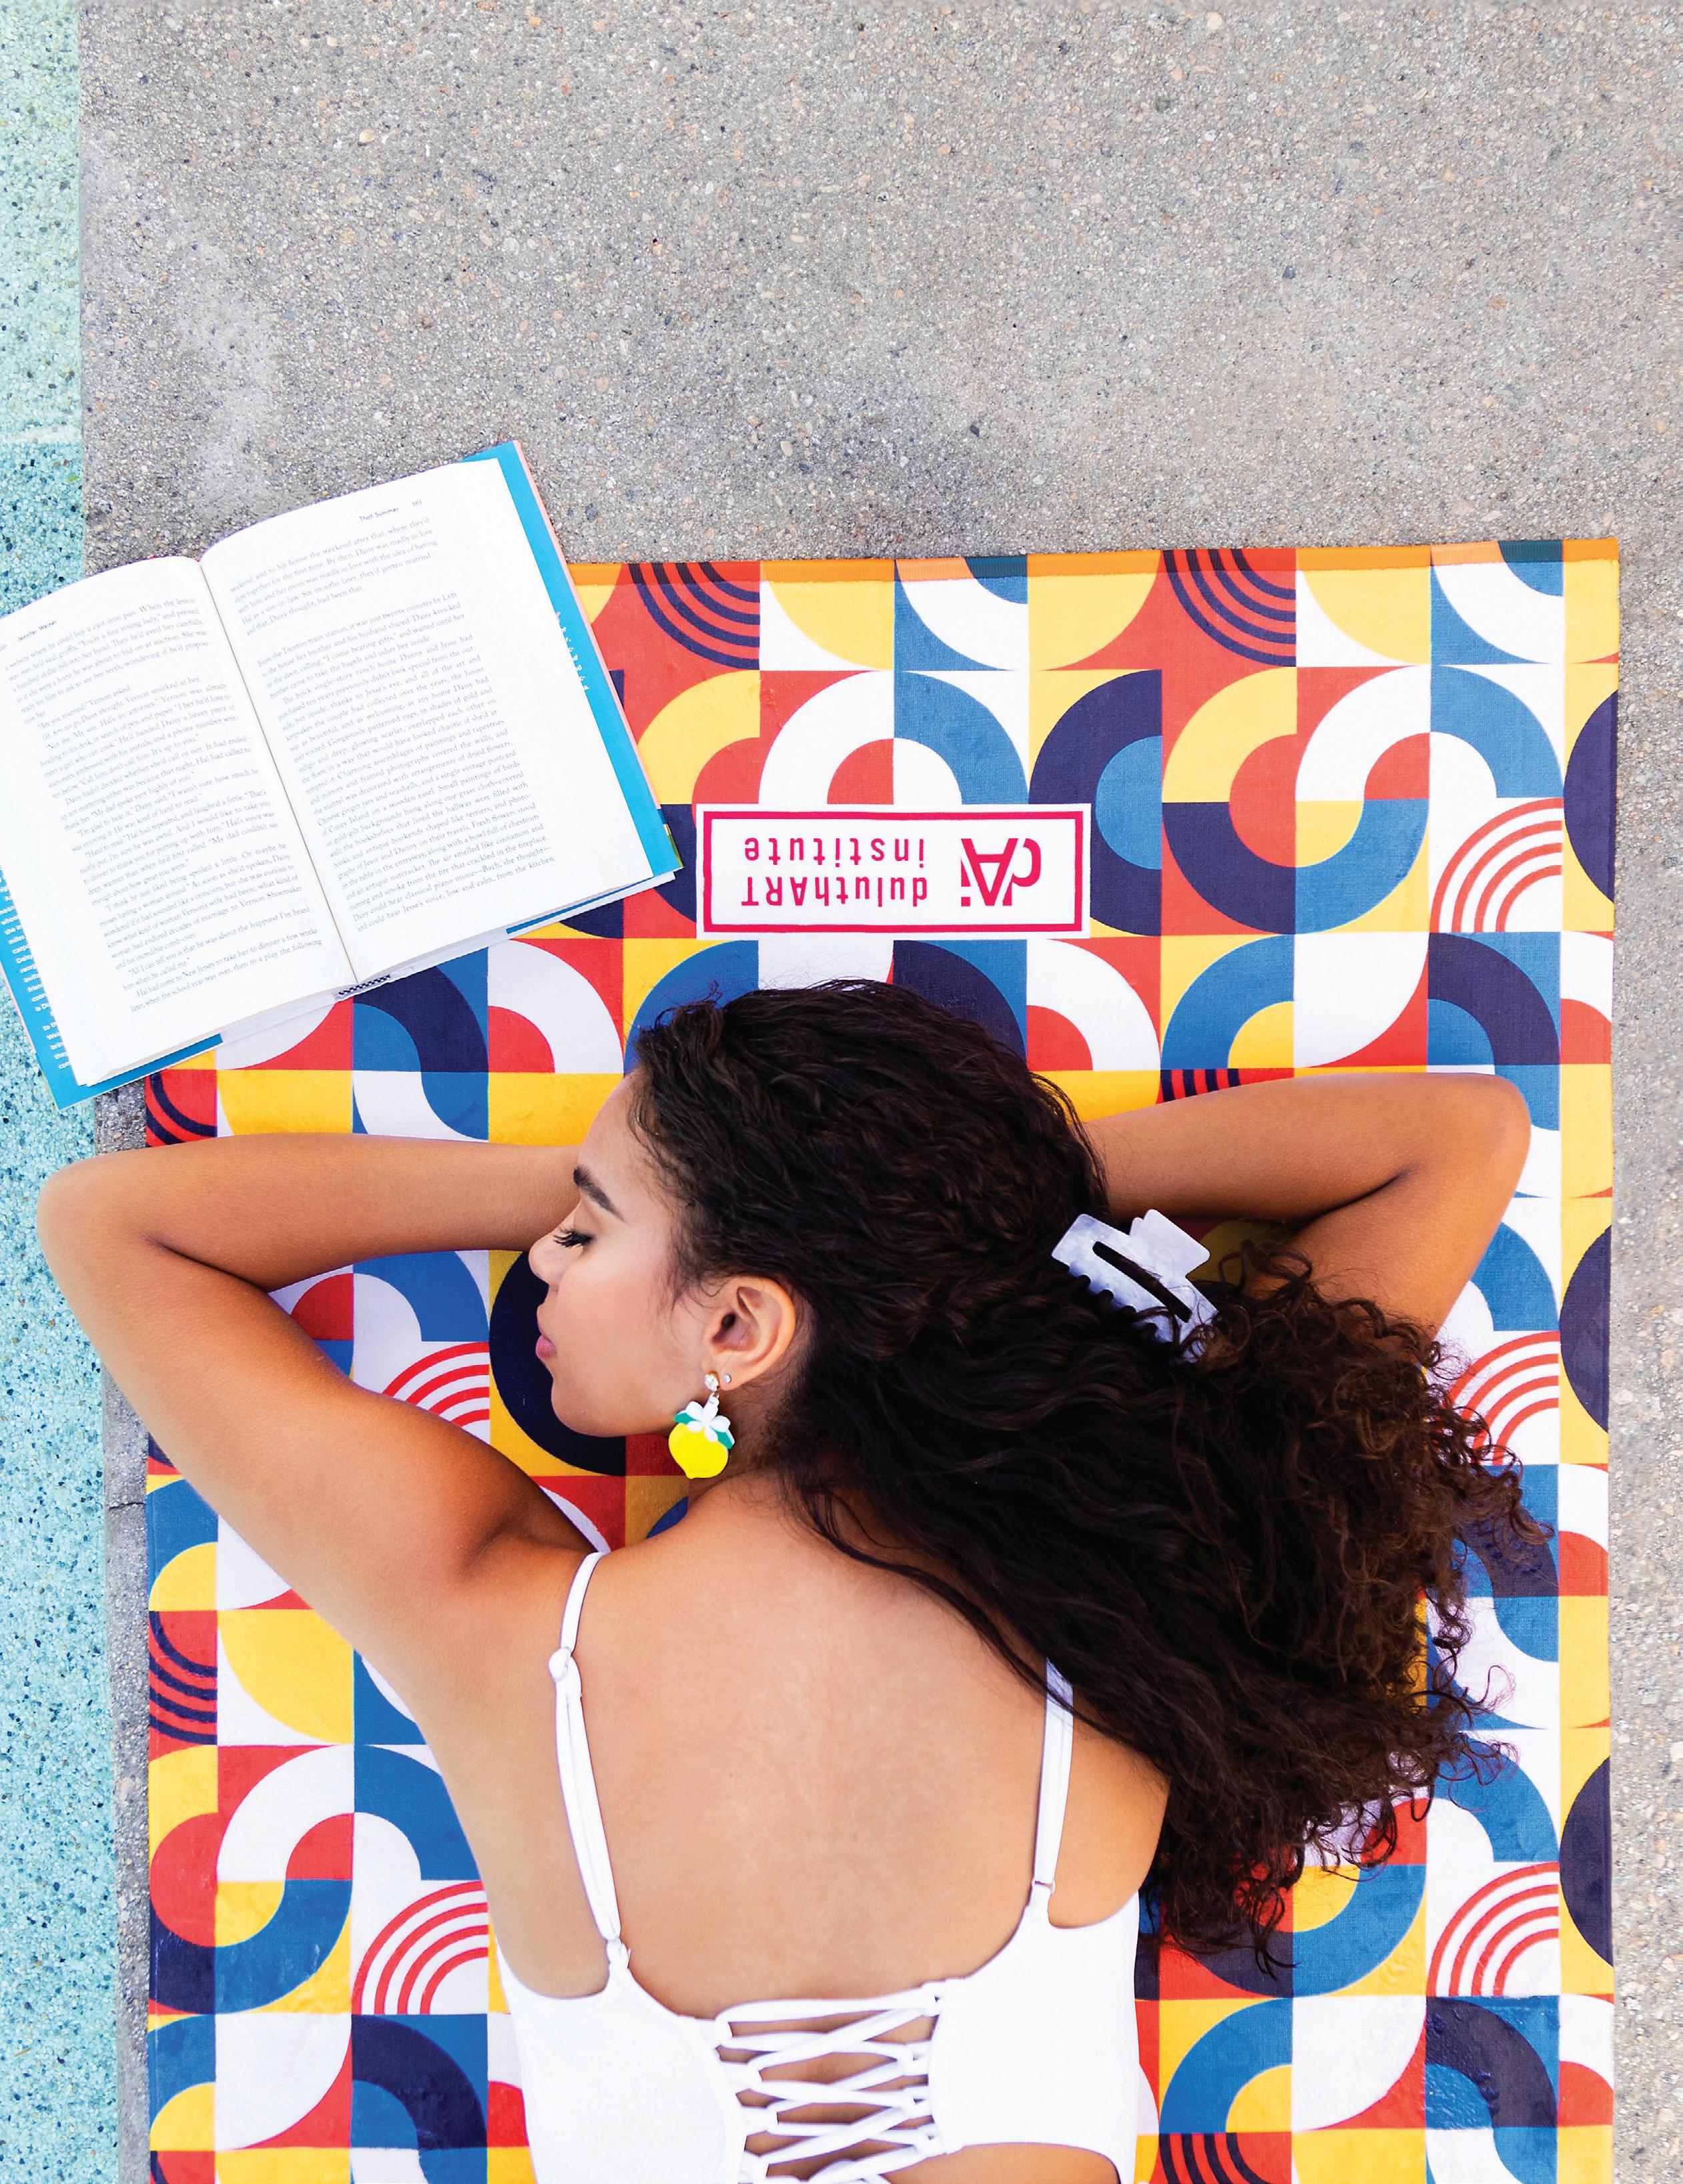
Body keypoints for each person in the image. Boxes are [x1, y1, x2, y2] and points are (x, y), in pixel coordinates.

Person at [40, 980, 1537, 2184]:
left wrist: (778, 1204)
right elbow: (1452, 1135)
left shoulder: (493, 1621)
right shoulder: (1136, 1574)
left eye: (583, 1228)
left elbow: (117, 1225)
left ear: (738, 1327)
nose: (543, 1264)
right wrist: (943, 1215)